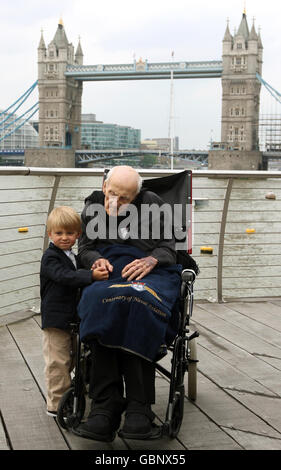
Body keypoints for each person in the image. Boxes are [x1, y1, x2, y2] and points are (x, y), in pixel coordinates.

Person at [75, 165, 181, 442]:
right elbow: (85, 248)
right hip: (109, 268)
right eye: (111, 194)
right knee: (101, 301)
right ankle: (104, 405)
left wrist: (151, 259)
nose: (114, 202)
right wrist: (94, 260)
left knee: (139, 301)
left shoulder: (154, 205)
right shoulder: (93, 205)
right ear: (103, 184)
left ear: (138, 195)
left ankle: (138, 407)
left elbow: (170, 248)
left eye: (124, 198)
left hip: (150, 271)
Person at [40, 206, 108, 417]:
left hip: (74, 317)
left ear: (78, 235)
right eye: (59, 233)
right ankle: (57, 403)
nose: (64, 238)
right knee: (58, 361)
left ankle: (81, 386)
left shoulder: (73, 257)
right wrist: (91, 276)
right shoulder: (50, 258)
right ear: (50, 234)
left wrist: (93, 272)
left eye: (70, 233)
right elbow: (64, 277)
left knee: (78, 355)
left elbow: (78, 273)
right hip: (56, 320)